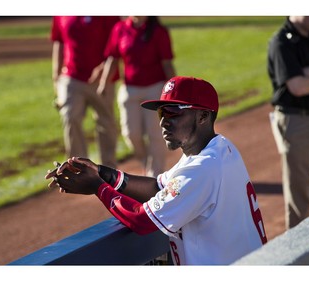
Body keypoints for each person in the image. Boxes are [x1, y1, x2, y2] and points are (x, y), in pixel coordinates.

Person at [45, 76, 268, 265]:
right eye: (161, 113)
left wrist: (97, 186)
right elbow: (157, 187)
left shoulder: (203, 168)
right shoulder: (218, 148)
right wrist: (102, 173)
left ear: (203, 116)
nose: (163, 122)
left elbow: (142, 220)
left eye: (173, 113)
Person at [267, 16, 309, 229]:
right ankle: (299, 256)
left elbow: (303, 81)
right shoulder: (281, 43)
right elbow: (297, 87)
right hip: (296, 123)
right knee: (299, 196)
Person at [97, 16, 176, 177]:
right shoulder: (120, 29)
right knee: (131, 134)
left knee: (155, 134)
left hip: (154, 89)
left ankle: (155, 175)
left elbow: (167, 63)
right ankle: (147, 162)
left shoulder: (158, 31)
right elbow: (113, 58)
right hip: (129, 90)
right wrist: (104, 83)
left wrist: (173, 91)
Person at [51, 16, 120, 168]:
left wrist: (103, 68)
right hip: (71, 76)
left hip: (102, 79)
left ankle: (108, 168)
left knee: (105, 123)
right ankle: (78, 166)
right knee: (70, 116)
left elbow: (116, 43)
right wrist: (56, 76)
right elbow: (59, 42)